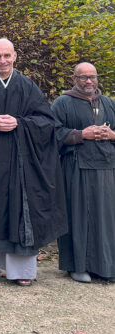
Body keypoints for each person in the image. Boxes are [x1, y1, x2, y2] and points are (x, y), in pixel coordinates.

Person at [0, 38, 67, 286]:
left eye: (7, 55)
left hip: (24, 164)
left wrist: (20, 124)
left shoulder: (27, 86)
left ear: (15, 56)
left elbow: (47, 122)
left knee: (22, 213)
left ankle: (23, 271)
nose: (2, 60)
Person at [53, 62, 115, 283]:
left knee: (106, 220)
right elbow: (52, 134)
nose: (89, 81)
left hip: (107, 169)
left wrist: (111, 135)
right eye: (83, 77)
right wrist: (81, 134)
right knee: (78, 217)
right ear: (74, 79)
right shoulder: (63, 103)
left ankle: (106, 267)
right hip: (75, 169)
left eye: (92, 77)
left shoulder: (109, 103)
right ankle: (78, 266)